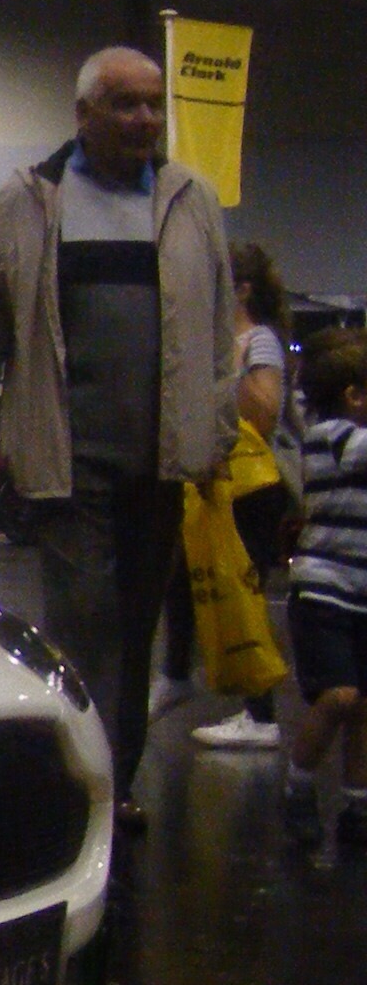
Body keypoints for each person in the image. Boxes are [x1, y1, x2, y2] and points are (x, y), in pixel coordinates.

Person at [0, 45, 242, 819]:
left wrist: (215, 436)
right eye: (125, 104)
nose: (145, 119)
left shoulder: (191, 201)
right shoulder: (23, 202)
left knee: (137, 629)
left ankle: (118, 781)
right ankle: (84, 787)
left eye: (153, 104)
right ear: (82, 115)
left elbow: (219, 334)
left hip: (163, 462)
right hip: (65, 462)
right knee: (87, 628)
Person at [188, 242, 303, 750]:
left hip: (256, 485)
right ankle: (177, 677)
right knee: (197, 581)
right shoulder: (226, 340)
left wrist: (226, 368)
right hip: (227, 480)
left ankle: (261, 714)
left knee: (246, 588)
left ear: (241, 289)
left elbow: (264, 410)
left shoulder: (258, 341)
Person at [286, 330, 367, 866]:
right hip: (324, 590)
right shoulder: (331, 437)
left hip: (360, 594)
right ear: (353, 395)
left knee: (363, 707)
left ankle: (357, 805)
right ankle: (298, 785)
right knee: (338, 697)